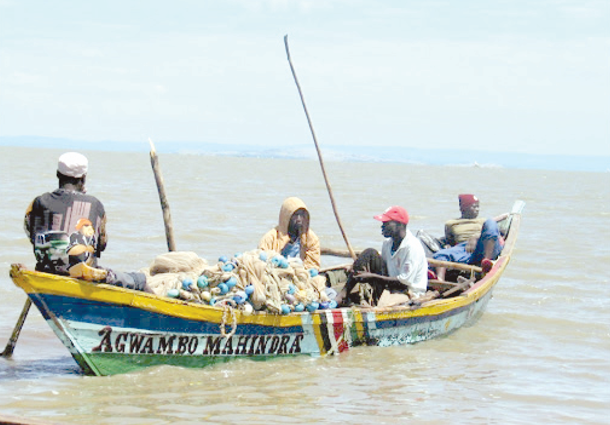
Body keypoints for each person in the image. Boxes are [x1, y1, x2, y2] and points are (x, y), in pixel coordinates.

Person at [24, 152, 151, 292]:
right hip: (85, 276)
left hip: (46, 272)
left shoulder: (38, 202)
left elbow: (32, 235)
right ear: (83, 178)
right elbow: (101, 245)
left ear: (57, 174)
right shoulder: (95, 205)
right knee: (140, 280)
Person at [336, 205, 428, 306]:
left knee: (383, 305)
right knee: (369, 253)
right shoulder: (387, 244)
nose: (382, 226)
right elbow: (384, 268)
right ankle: (343, 294)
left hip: (408, 291)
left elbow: (404, 282)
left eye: (386, 223)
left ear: (399, 225)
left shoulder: (412, 247)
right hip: (390, 285)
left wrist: (373, 277)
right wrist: (356, 266)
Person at [432, 194, 507, 281]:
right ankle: (440, 280)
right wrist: (449, 246)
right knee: (439, 255)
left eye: (478, 207)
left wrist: (475, 237)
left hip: (484, 246)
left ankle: (486, 261)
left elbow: (494, 232)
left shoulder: (483, 221)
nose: (477, 209)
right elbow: (450, 240)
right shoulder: (451, 223)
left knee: (491, 222)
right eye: (474, 207)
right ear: (463, 208)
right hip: (464, 250)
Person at [258, 197, 321, 270]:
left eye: (302, 215)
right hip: (276, 274)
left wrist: (301, 269)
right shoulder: (271, 237)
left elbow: (313, 264)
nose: (299, 219)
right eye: (295, 215)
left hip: (300, 274)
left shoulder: (310, 239)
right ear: (286, 217)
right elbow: (260, 261)